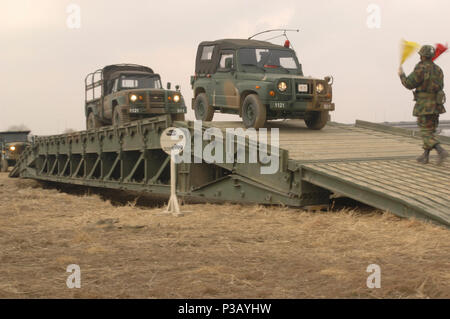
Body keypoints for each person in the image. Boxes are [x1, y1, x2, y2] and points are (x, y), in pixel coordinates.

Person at [398, 45, 448, 165]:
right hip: (436, 105)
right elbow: (441, 86)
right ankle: (425, 156)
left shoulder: (421, 68)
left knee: (425, 131)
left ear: (423, 56)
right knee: (430, 130)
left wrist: (401, 75)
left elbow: (409, 84)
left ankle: (440, 151)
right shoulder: (438, 69)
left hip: (424, 105)